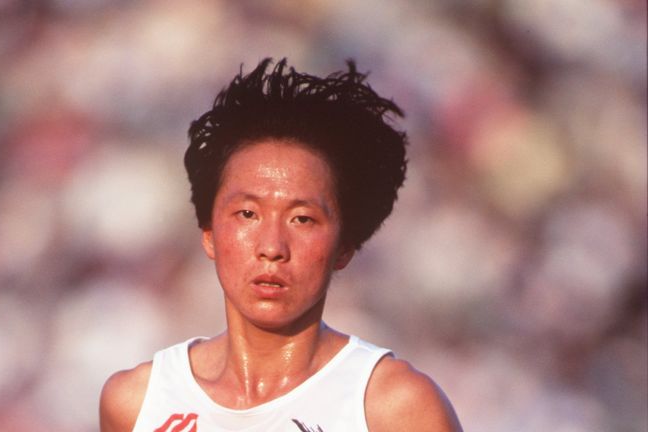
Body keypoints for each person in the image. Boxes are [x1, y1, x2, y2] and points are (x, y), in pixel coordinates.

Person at [100, 58, 462, 431]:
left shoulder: (393, 407)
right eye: (247, 214)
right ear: (208, 232)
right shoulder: (138, 402)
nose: (272, 247)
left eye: (302, 219)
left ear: (345, 246)